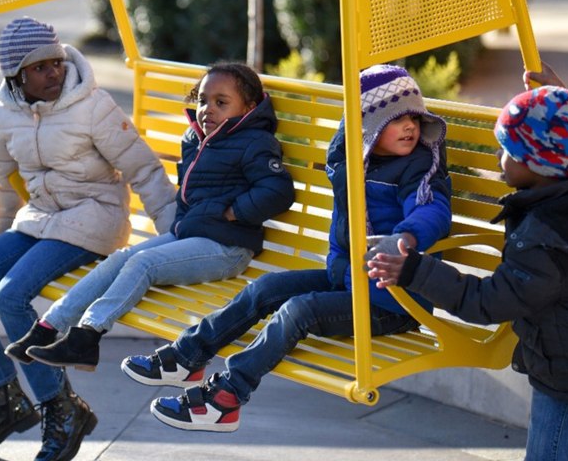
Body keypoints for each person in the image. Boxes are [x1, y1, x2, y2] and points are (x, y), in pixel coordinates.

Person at [123, 64, 452, 432]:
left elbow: (431, 209)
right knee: (264, 289)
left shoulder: (419, 167)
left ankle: (227, 397)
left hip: (393, 300)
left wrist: (405, 237)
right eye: (395, 118)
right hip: (347, 279)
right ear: (367, 127)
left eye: (413, 117)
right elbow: (344, 144)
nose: (409, 126)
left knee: (300, 310)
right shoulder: (354, 159)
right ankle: (187, 356)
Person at [367, 63, 568, 461]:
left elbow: (489, 301)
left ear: (536, 165)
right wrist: (562, 94)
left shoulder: (545, 240)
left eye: (508, 152)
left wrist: (415, 270)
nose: (499, 157)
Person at [0, 17, 178, 461]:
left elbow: (143, 169)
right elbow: (3, 183)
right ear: (17, 76)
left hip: (94, 218)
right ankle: (4, 401)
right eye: (41, 68)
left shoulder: (93, 106)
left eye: (57, 62)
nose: (54, 73)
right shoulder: (7, 115)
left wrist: (176, 238)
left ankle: (61, 408)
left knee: (11, 297)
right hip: (40, 219)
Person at [5, 62, 295, 372]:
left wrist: (233, 211)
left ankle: (86, 337)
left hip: (227, 248)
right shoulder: (197, 139)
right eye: (202, 100)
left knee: (142, 264)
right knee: (120, 258)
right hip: (191, 236)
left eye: (221, 103)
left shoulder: (254, 142)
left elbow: (278, 190)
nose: (208, 109)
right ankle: (47, 328)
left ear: (249, 108)